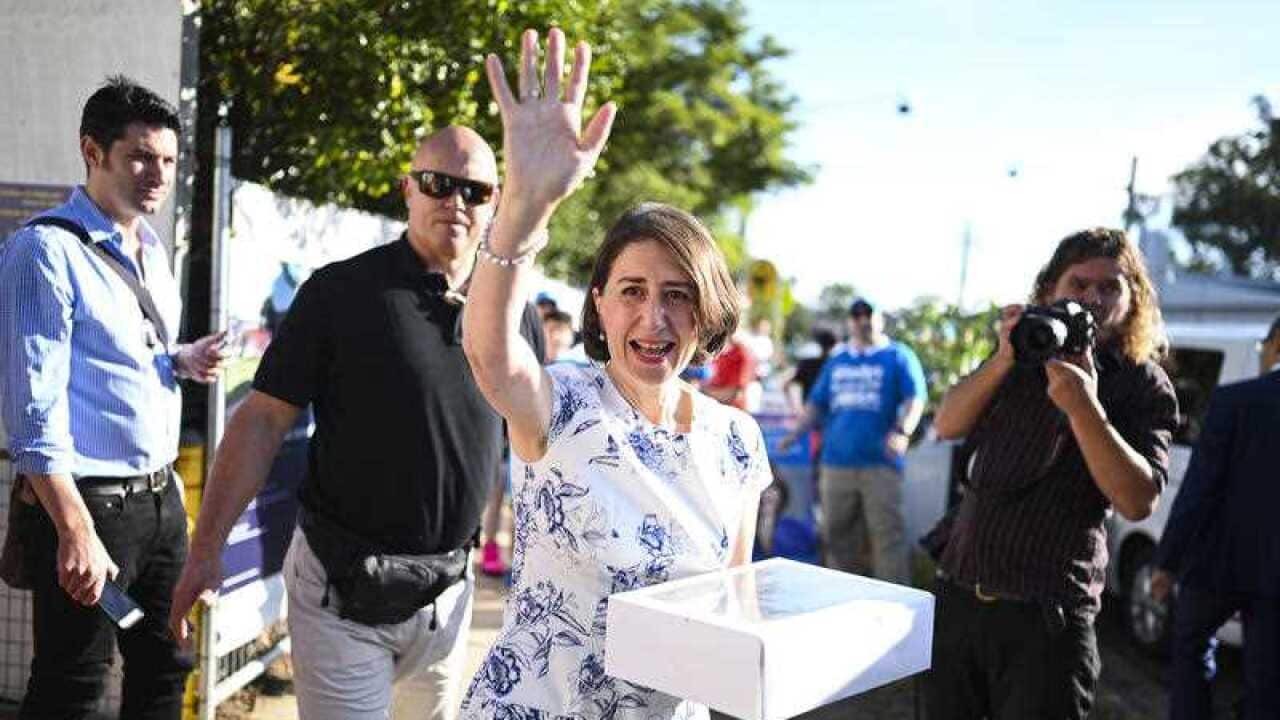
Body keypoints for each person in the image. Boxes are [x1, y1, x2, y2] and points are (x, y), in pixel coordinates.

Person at [168, 125, 544, 720]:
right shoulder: (341, 292)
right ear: (408, 190)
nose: (455, 202)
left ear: (495, 201)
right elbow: (262, 421)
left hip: (446, 594)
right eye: (438, 184)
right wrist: (205, 548)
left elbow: (529, 448)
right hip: (341, 590)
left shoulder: (510, 316)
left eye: (474, 191)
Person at [459, 29, 771, 720]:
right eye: (631, 291)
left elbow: (732, 603)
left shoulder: (738, 439)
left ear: (706, 309)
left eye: (677, 294)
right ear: (598, 301)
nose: (653, 318)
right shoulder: (562, 401)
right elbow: (489, 352)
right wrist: (526, 205)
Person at [0, 76, 226, 719]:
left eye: (169, 160)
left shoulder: (150, 248)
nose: (158, 174)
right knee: (73, 683)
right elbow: (32, 412)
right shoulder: (43, 252)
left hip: (159, 501)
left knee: (166, 666)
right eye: (140, 157)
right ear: (91, 152)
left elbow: (111, 358)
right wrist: (74, 529)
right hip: (89, 506)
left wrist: (179, 360)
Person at [926, 228, 1179, 720]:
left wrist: (1085, 406)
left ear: (1133, 301)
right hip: (961, 600)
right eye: (1079, 285)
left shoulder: (1143, 382)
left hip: (1048, 621)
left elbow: (1136, 500)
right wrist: (1003, 357)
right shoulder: (1022, 356)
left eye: (1111, 288)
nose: (1093, 299)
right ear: (1049, 292)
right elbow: (947, 423)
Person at [1150, 313, 1280, 720]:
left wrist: (1166, 561)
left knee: (1191, 651)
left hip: (1216, 564)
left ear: (1276, 344)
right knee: (1267, 681)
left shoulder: (1236, 401)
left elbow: (1198, 491)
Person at [778, 297, 926, 584]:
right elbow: (817, 404)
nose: (862, 320)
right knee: (836, 537)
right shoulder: (838, 360)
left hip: (880, 464)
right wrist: (795, 433)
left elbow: (915, 398)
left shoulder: (898, 355)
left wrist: (903, 431)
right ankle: (842, 599)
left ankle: (894, 606)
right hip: (836, 463)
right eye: (856, 315)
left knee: (887, 538)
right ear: (849, 321)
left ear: (879, 318)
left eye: (867, 314)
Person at [785, 325, 838, 413]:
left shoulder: (807, 363)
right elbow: (787, 384)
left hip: (811, 417)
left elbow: (787, 385)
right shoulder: (835, 366)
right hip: (822, 418)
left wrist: (796, 409)